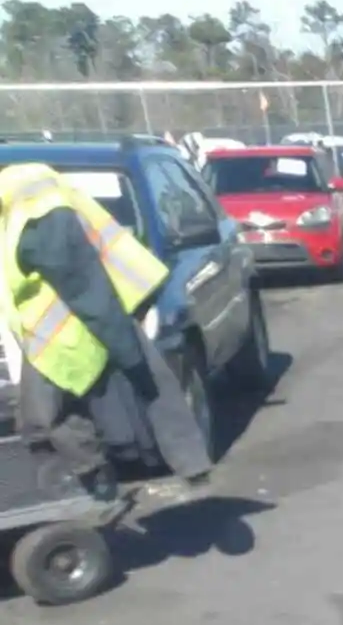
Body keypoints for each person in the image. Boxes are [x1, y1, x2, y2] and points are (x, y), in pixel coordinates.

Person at [0, 161, 213, 500]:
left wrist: (122, 343)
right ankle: (120, 475)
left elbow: (80, 281)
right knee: (140, 390)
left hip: (73, 329)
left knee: (46, 419)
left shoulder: (36, 212)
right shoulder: (28, 200)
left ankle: (95, 481)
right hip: (77, 324)